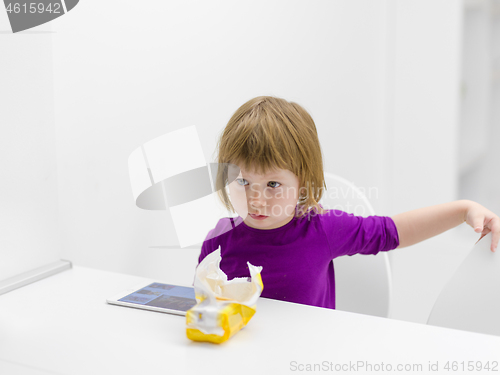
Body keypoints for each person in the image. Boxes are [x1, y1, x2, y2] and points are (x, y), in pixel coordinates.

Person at [197, 95, 500, 310]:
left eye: (272, 184)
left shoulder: (321, 229)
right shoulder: (218, 241)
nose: (255, 199)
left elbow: (392, 232)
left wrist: (462, 210)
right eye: (242, 182)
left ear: (303, 181)